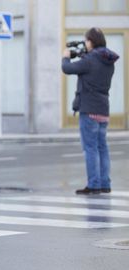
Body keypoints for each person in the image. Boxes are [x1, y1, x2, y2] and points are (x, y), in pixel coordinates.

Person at [62, 27, 119, 195]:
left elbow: (67, 68)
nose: (85, 43)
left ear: (91, 41)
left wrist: (65, 57)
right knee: (102, 147)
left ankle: (94, 185)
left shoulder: (89, 60)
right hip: (103, 110)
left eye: (86, 40)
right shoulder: (107, 61)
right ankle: (105, 183)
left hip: (89, 110)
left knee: (91, 148)